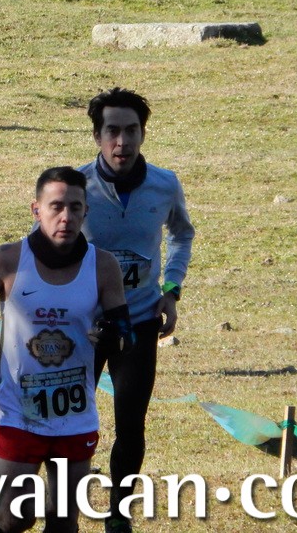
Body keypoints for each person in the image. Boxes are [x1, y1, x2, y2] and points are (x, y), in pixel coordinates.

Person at [0, 166, 135, 533]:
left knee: (64, 523)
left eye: (75, 208)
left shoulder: (103, 266)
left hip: (75, 412)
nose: (66, 217)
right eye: (56, 206)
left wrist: (114, 337)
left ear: (86, 212)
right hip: (18, 410)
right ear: (36, 210)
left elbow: (126, 333)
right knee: (15, 516)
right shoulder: (7, 260)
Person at [77, 87, 195, 533]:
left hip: (140, 321)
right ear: (97, 136)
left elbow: (182, 234)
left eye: (131, 130)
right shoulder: (75, 186)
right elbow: (43, 244)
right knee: (70, 422)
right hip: (83, 325)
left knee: (131, 424)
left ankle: (118, 515)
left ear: (143, 134)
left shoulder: (165, 184)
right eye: (112, 131)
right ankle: (62, 506)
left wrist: (172, 288)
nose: (121, 142)